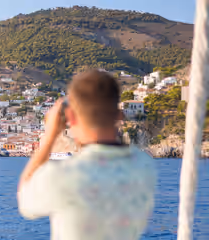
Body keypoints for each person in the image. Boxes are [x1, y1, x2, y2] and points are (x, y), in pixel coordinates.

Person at [17, 70, 157, 240]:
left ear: (71, 117)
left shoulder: (64, 175)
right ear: (119, 115)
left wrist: (49, 135)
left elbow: (25, 201)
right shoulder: (144, 166)